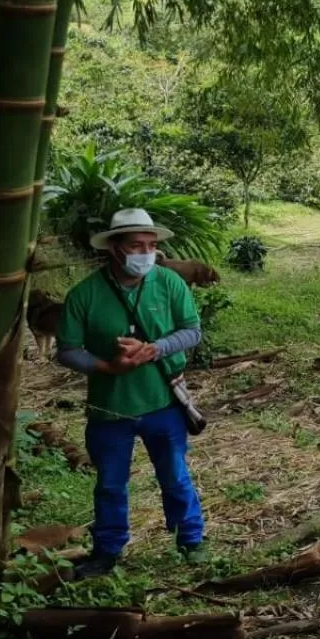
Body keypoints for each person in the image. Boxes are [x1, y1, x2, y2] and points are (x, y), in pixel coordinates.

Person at [55, 208, 206, 579]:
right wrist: (108, 367)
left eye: (151, 245)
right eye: (137, 245)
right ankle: (107, 551)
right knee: (110, 483)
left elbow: (192, 331)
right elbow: (68, 350)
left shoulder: (169, 283)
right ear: (114, 248)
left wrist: (154, 349)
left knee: (175, 475)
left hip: (163, 403)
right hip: (110, 409)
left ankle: (191, 540)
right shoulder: (85, 295)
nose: (147, 253)